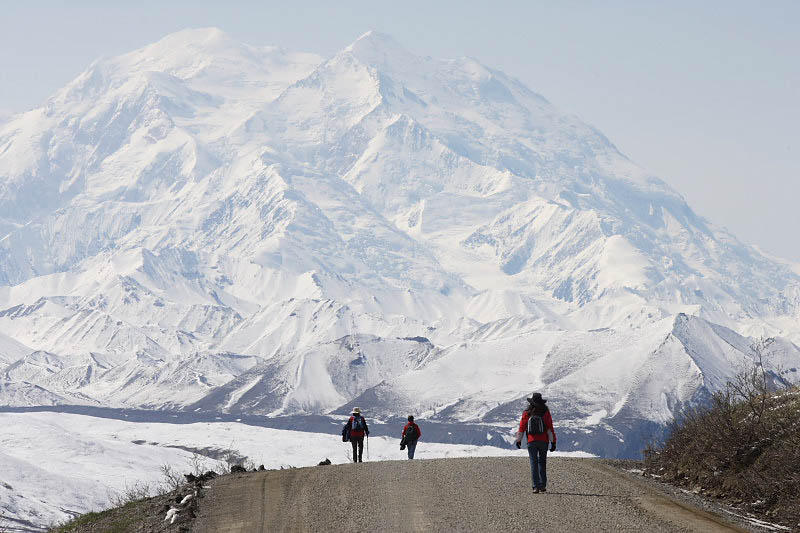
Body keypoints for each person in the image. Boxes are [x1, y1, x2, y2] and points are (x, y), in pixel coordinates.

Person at [515, 392, 556, 493]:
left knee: (533, 462)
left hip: (531, 441)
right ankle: (542, 486)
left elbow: (522, 427)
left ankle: (535, 486)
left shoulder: (527, 412)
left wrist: (519, 440)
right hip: (544, 441)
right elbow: (550, 428)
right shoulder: (545, 411)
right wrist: (553, 442)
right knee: (542, 462)